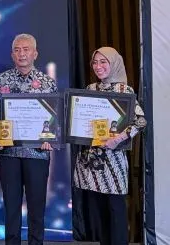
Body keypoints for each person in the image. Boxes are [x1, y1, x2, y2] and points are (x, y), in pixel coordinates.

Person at [73, 47, 147, 245]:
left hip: (113, 163)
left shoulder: (124, 90)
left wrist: (118, 139)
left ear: (114, 63)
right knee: (99, 215)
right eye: (95, 62)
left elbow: (140, 121)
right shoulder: (90, 89)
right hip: (90, 163)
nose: (98, 66)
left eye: (103, 62)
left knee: (116, 213)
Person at [0, 33, 57, 245]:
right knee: (11, 208)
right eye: (17, 50)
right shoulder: (0, 81)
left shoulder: (47, 83)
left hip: (37, 153)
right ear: (12, 54)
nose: (21, 54)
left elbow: (55, 119)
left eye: (26, 49)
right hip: (9, 152)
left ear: (35, 53)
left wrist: (51, 137)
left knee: (37, 208)